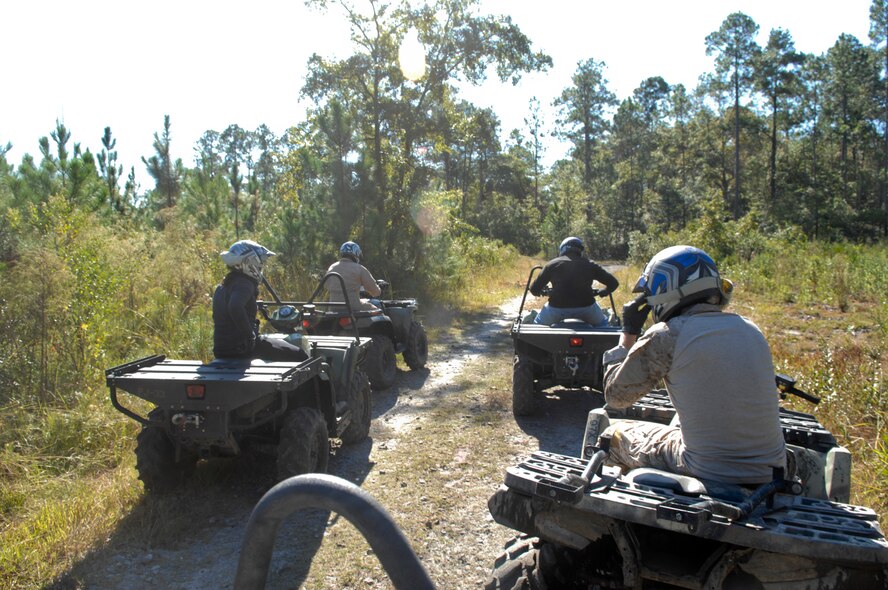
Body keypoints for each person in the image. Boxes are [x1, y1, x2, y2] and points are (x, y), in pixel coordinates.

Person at [595, 245, 786, 485]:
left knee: (610, 436)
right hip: (771, 469)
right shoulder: (751, 329)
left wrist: (628, 334)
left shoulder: (669, 334)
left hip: (705, 467)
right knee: (678, 422)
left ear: (665, 290)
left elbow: (616, 397)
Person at [212, 240, 308, 363]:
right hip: (244, 347)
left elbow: (229, 310)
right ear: (250, 262)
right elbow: (234, 307)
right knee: (301, 356)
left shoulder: (223, 286)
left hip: (222, 349)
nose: (261, 266)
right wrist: (250, 335)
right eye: (260, 262)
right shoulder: (244, 283)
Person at [529, 236, 619, 326]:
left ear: (563, 248)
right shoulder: (590, 264)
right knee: (603, 325)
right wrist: (603, 292)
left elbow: (533, 289)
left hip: (556, 310)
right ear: (580, 250)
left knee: (538, 325)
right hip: (587, 309)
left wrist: (542, 292)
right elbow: (613, 283)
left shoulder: (552, 265)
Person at [326, 241, 383, 311]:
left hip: (333, 308)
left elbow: (326, 285)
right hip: (353, 307)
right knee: (378, 309)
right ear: (356, 254)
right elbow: (375, 293)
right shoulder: (359, 268)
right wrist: (379, 288)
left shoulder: (332, 267)